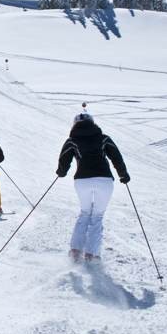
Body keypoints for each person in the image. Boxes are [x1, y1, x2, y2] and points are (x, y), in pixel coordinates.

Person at [56, 112, 129, 263]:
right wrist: (123, 174)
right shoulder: (103, 138)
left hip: (82, 181)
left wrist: (61, 172)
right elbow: (116, 156)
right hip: (104, 180)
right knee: (97, 216)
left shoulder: (72, 140)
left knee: (84, 213)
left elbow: (64, 159)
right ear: (93, 123)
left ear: (74, 124)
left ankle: (75, 251)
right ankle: (91, 254)